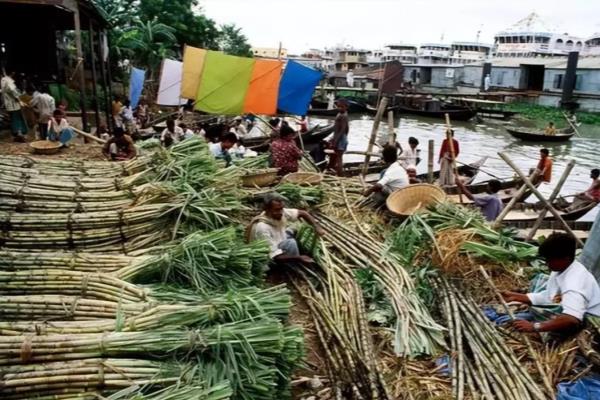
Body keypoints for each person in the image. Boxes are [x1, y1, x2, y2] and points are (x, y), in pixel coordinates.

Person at [501, 233, 600, 336]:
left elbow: (572, 319)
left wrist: (534, 327)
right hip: (570, 312)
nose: (547, 264)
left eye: (550, 260)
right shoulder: (561, 269)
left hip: (588, 322)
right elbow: (550, 297)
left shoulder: (574, 283)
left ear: (565, 258)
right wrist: (518, 297)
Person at [248, 193, 324, 266]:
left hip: (279, 239)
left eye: (282, 208)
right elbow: (275, 257)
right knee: (291, 243)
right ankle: (291, 267)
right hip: (272, 258)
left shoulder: (281, 212)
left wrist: (316, 226)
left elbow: (303, 213)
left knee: (293, 228)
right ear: (266, 209)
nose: (281, 212)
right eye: (277, 210)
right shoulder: (262, 228)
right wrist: (299, 258)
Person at [1, 71, 27, 142]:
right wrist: (19, 99)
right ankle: (19, 133)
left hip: (9, 103)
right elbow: (12, 90)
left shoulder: (3, 80)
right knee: (17, 118)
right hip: (13, 103)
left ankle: (17, 133)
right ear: (12, 73)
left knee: (13, 118)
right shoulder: (8, 81)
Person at [328, 99, 350, 176]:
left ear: (346, 107)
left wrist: (336, 140)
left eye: (341, 107)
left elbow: (343, 129)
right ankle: (335, 170)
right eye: (338, 106)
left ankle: (340, 175)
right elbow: (345, 129)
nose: (339, 108)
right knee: (337, 156)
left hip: (341, 139)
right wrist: (333, 138)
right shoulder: (340, 114)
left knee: (339, 158)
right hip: (340, 138)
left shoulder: (344, 115)